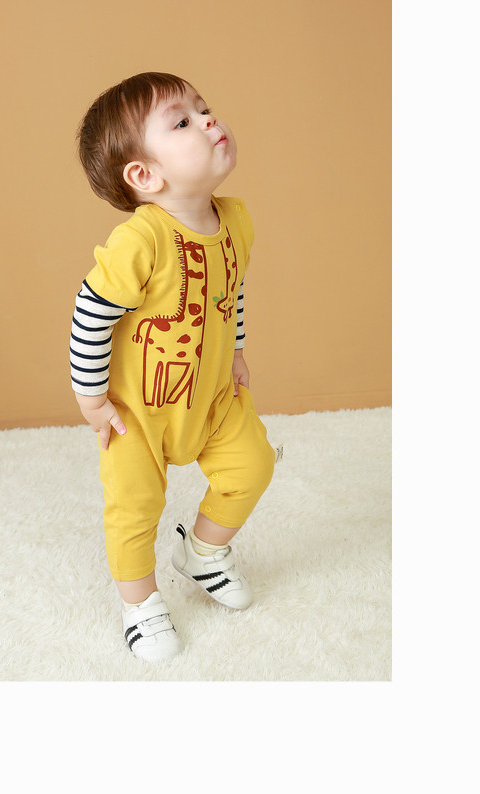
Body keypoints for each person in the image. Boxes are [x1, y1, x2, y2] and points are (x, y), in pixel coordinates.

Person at [69, 72, 275, 661]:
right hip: (139, 412)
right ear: (145, 175)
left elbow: (231, 291)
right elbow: (91, 313)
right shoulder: (142, 240)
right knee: (134, 507)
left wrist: (236, 350)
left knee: (253, 464)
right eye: (183, 121)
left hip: (211, 395)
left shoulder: (236, 221)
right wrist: (92, 397)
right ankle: (140, 603)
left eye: (204, 108)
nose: (208, 119)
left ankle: (203, 551)